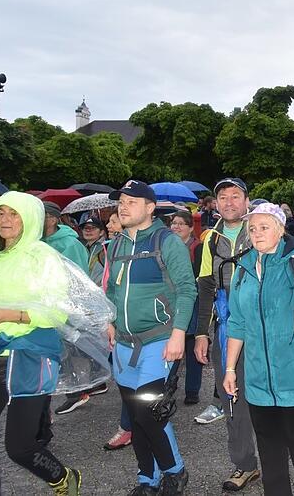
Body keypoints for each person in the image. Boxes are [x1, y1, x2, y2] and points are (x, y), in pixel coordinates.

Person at [0, 192, 82, 495]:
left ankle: (63, 477)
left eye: (14, 214)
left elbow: (57, 312)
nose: (5, 220)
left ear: (30, 219)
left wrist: (4, 315)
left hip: (31, 356)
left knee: (19, 447)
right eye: (1, 213)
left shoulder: (43, 257)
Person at [222, 203, 294, 495]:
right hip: (260, 378)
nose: (257, 233)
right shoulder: (243, 268)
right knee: (268, 444)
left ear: (280, 229)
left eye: (264, 227)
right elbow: (237, 322)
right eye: (252, 228)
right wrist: (230, 368)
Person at [105, 180, 196, 495]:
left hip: (159, 339)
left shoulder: (166, 242)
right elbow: (112, 291)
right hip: (125, 344)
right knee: (135, 414)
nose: (123, 206)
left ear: (150, 207)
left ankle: (175, 471)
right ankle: (148, 479)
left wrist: (179, 334)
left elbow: (187, 289)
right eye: (121, 201)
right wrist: (109, 321)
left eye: (131, 201)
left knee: (147, 410)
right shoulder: (116, 245)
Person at [192, 177, 262, 491]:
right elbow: (205, 287)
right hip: (225, 326)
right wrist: (201, 334)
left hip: (262, 327)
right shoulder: (210, 239)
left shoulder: (261, 230)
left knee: (270, 394)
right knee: (232, 396)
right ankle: (245, 464)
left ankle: (277, 457)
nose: (229, 202)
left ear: (247, 200)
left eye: (235, 196)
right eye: (223, 197)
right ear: (216, 203)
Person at [46, 202, 101, 417]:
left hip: (65, 306)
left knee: (72, 347)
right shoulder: (38, 242)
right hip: (45, 305)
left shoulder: (70, 244)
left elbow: (79, 279)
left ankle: (78, 391)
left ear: (52, 219)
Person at [169, 210, 205, 406]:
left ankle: (192, 390)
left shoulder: (197, 247)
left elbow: (199, 277)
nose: (176, 227)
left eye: (181, 223)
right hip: (171, 303)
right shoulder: (167, 247)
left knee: (192, 347)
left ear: (191, 227)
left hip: (193, 302)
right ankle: (168, 385)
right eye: (174, 223)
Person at [80, 217, 107, 286]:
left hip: (101, 291)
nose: (88, 230)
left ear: (101, 232)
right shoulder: (81, 248)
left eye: (93, 228)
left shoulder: (105, 248)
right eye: (85, 228)